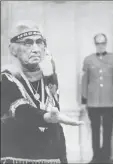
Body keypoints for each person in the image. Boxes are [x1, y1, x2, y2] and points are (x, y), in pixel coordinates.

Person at [1, 21, 83, 164]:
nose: (36, 49)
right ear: (13, 49)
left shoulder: (49, 76)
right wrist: (47, 117)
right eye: (28, 43)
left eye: (40, 42)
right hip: (19, 152)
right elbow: (20, 109)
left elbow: (54, 111)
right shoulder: (6, 77)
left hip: (51, 151)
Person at [81, 33, 113, 163]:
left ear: (106, 43)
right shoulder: (88, 60)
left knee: (108, 130)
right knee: (94, 130)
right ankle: (96, 157)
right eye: (98, 43)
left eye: (103, 43)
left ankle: (106, 157)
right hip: (93, 102)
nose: (101, 46)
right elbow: (84, 81)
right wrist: (84, 100)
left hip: (109, 101)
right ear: (95, 44)